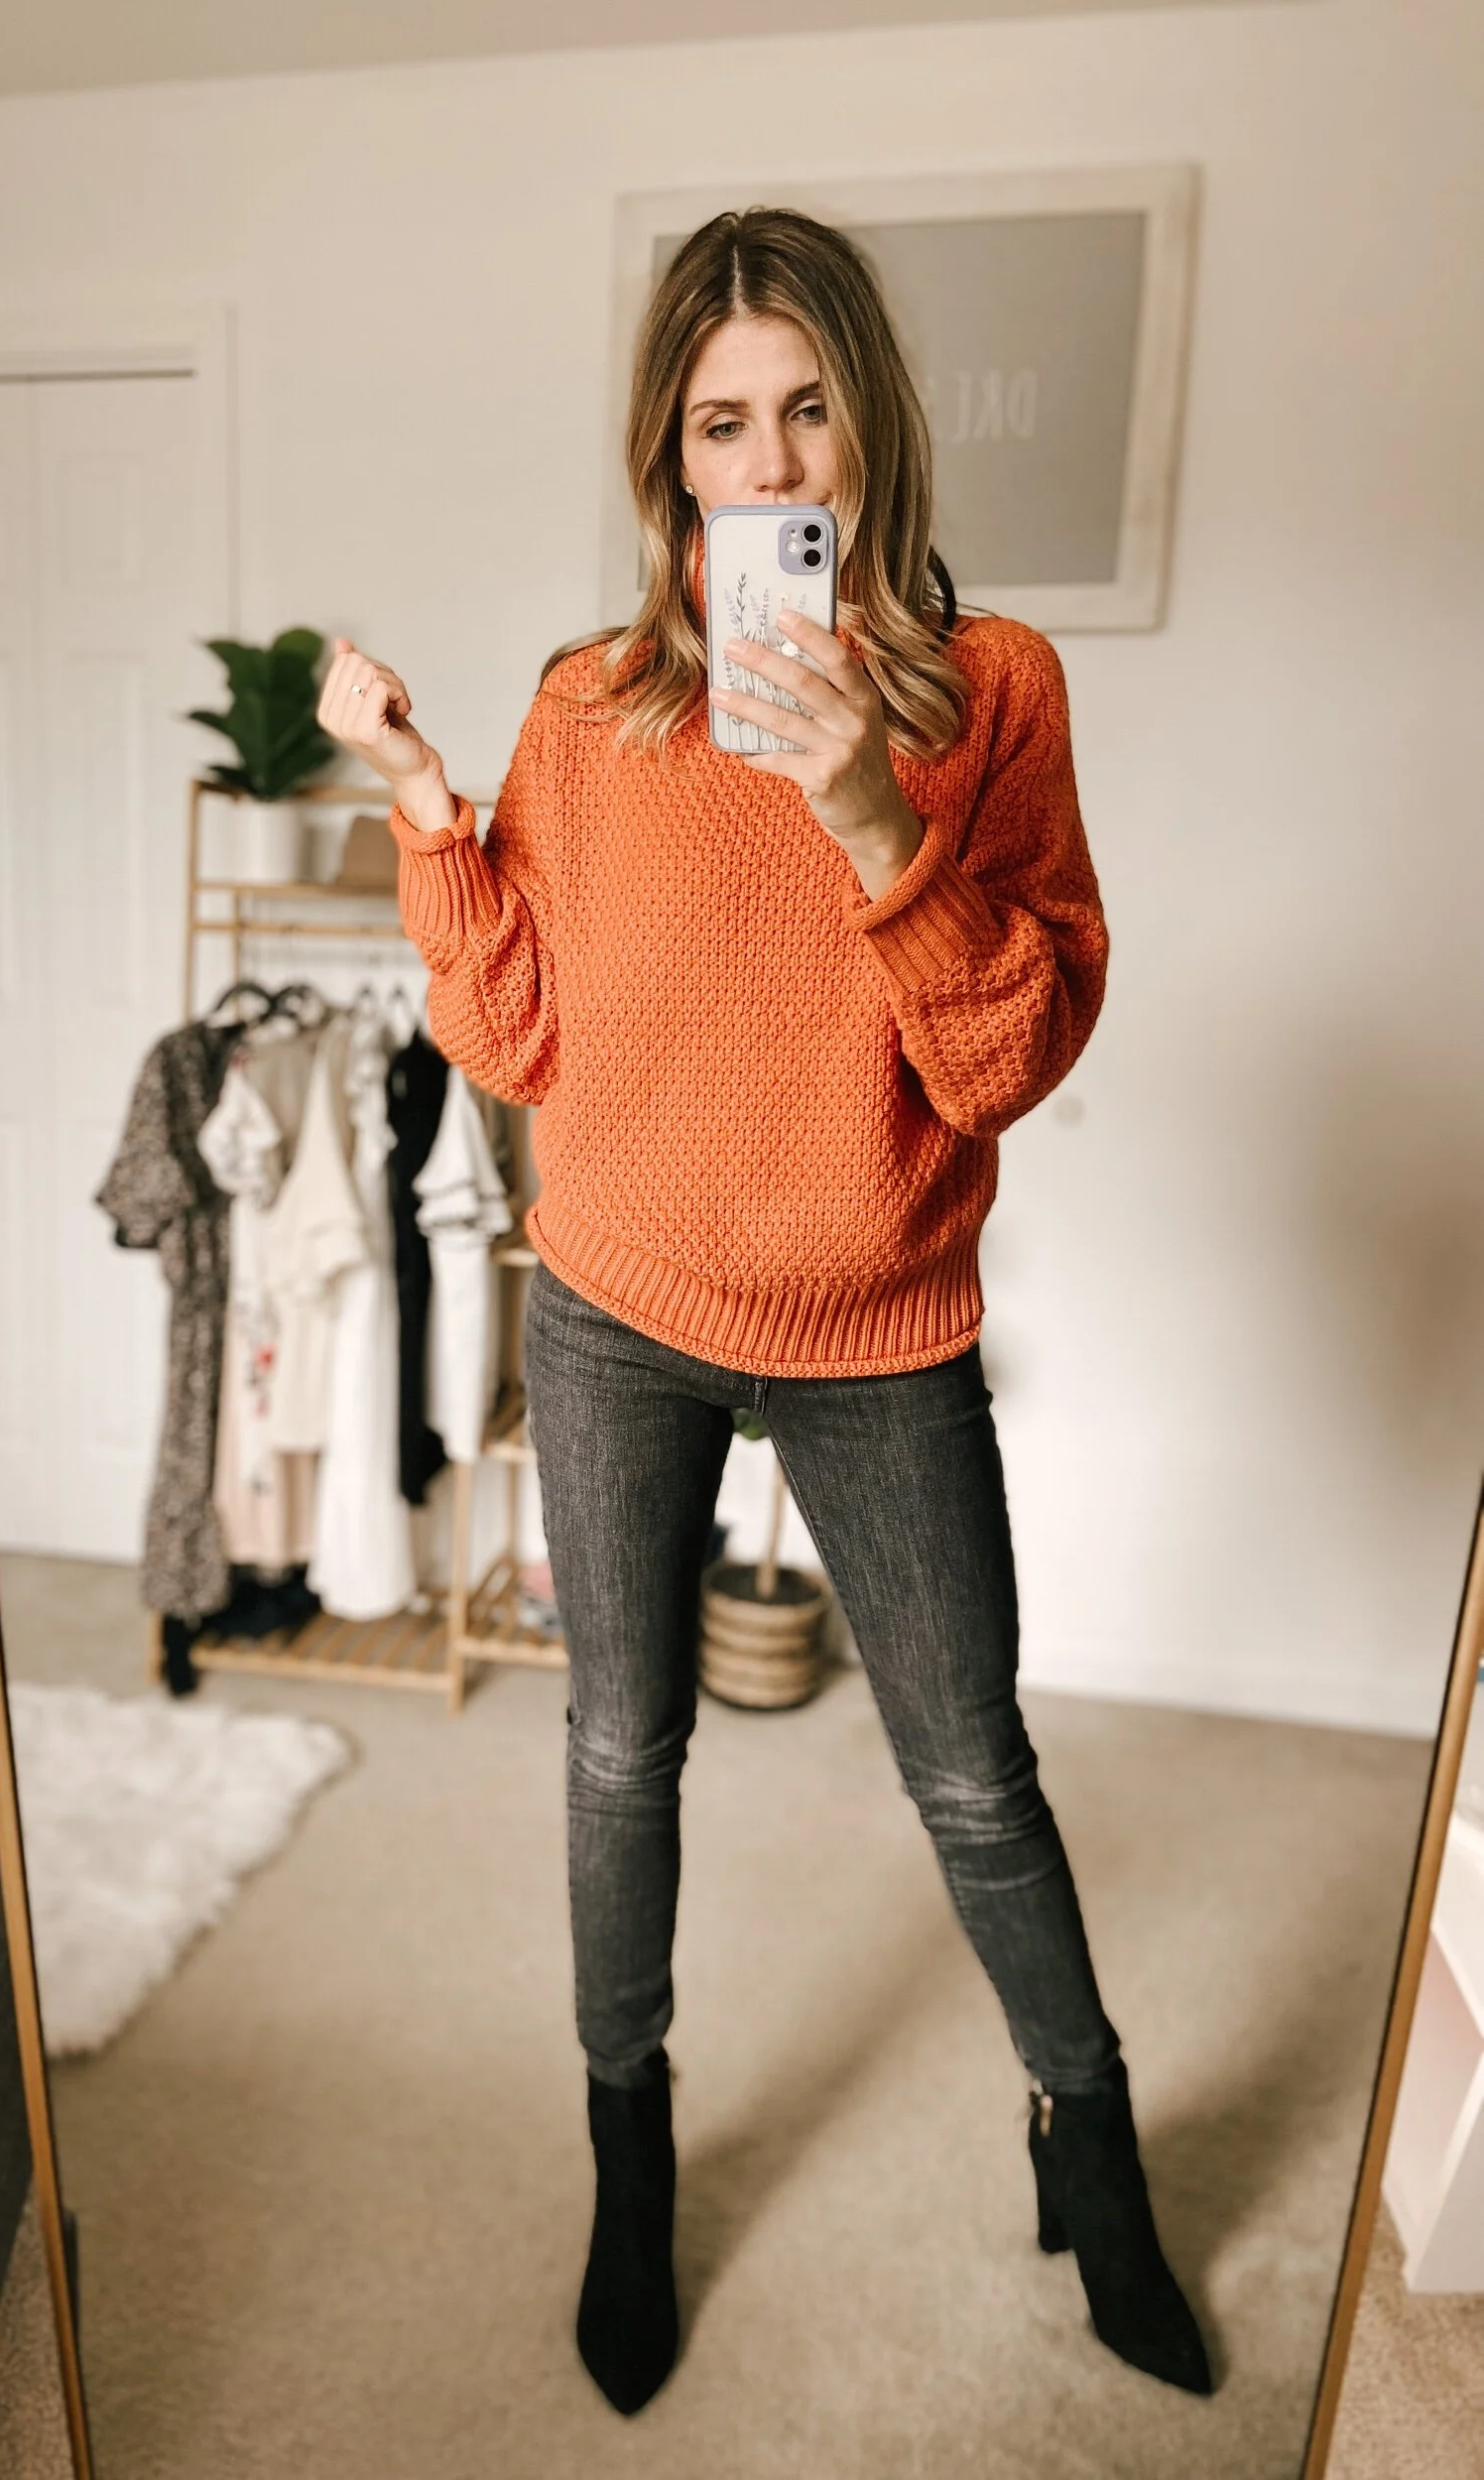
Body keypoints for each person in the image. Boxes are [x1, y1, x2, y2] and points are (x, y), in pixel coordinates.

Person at [317, 205, 1211, 2418]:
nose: (771, 461)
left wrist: (872, 814)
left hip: (882, 1322)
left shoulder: (990, 694)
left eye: (806, 408)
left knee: (972, 1772)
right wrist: (428, 808)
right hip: (616, 1309)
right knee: (621, 1752)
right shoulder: (588, 704)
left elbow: (1008, 1055)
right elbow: (517, 1036)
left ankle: (1087, 2136)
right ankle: (629, 2155)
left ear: (870, 423)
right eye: (722, 424)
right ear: (670, 458)